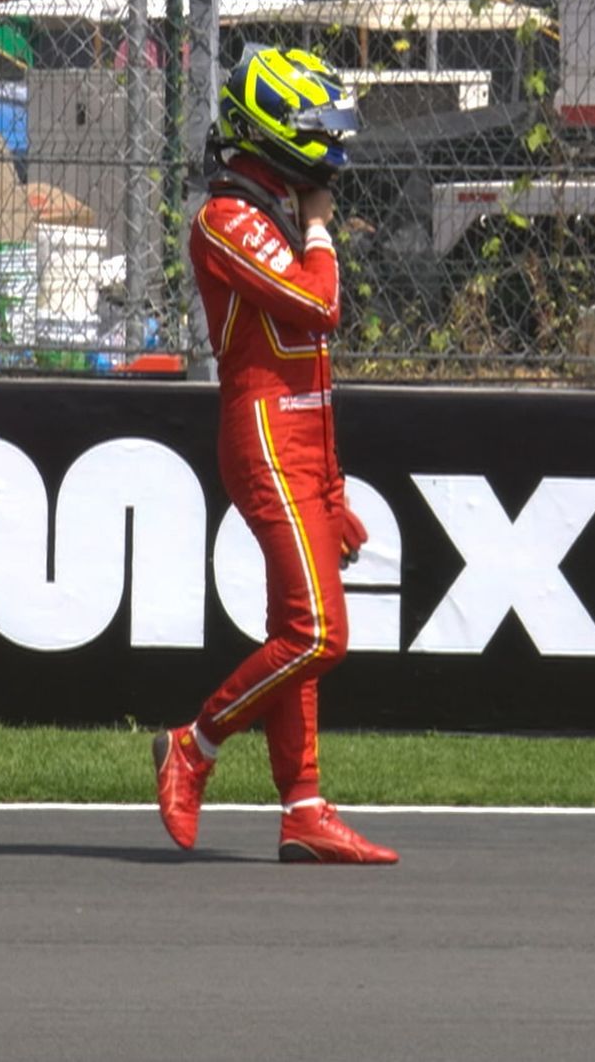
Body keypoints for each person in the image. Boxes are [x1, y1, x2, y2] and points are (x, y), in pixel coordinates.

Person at [152, 43, 398, 865]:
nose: (334, 147)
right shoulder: (227, 217)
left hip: (306, 449)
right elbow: (316, 306)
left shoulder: (275, 209)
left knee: (295, 634)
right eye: (318, 130)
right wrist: (323, 226)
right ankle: (194, 745)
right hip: (261, 442)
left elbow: (312, 368)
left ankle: (304, 810)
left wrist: (332, 491)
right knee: (320, 634)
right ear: (272, 131)